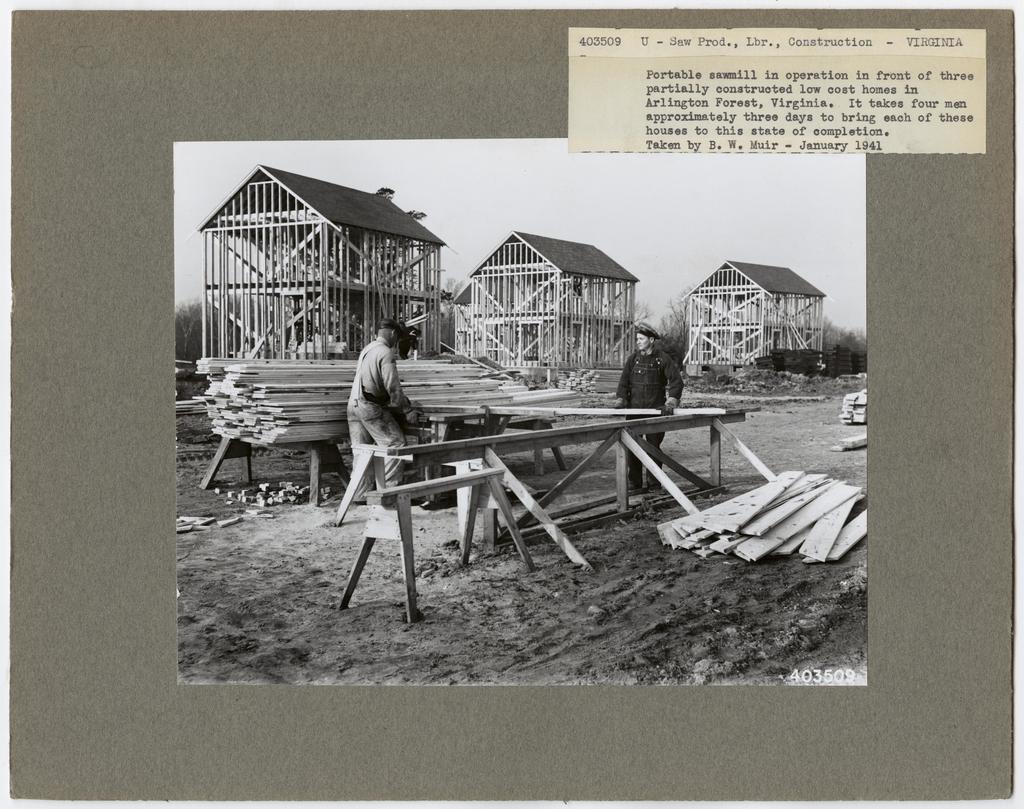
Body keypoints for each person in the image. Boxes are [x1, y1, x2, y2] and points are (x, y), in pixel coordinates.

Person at [347, 318, 419, 501]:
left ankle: (360, 495)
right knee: (395, 445)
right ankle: (386, 495)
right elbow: (392, 386)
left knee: (362, 451)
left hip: (353, 405)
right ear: (394, 334)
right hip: (369, 407)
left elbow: (372, 381)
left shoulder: (368, 348)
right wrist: (407, 410)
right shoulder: (386, 353)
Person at [613, 322, 682, 490]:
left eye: (641, 339)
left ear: (651, 340)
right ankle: (634, 482)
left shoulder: (662, 359)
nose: (638, 342)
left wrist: (672, 401)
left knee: (653, 448)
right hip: (634, 410)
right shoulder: (633, 359)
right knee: (633, 447)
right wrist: (621, 399)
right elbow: (623, 382)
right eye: (637, 339)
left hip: (655, 411)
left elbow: (676, 382)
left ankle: (654, 482)